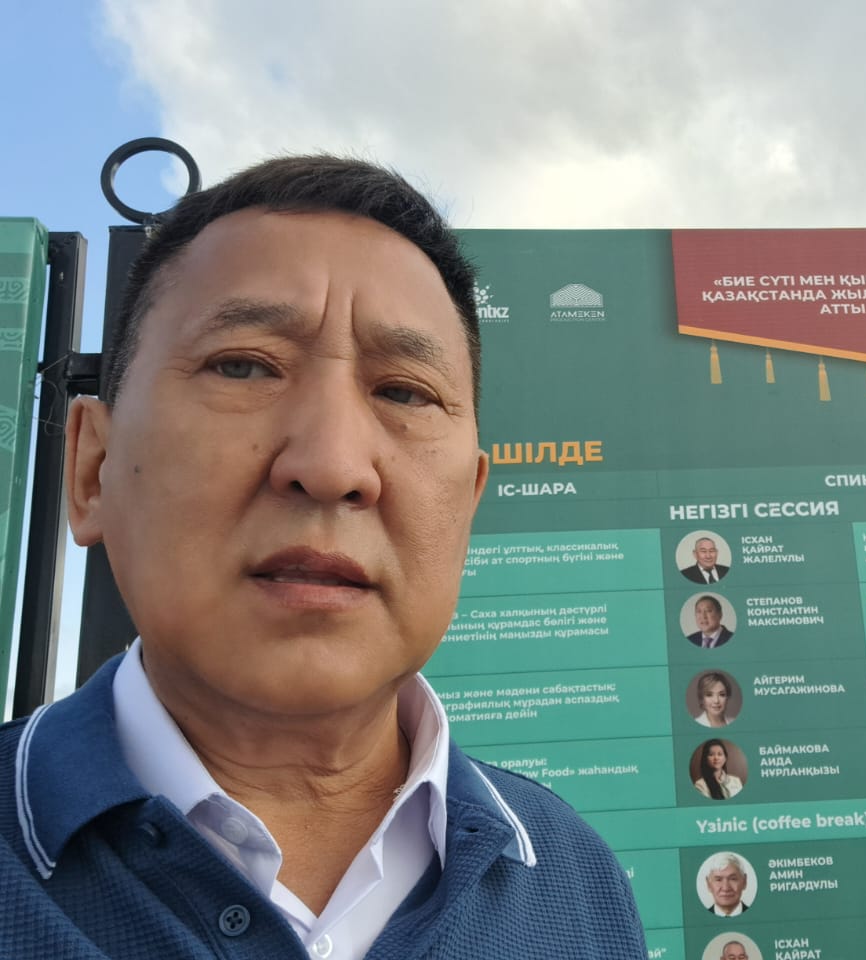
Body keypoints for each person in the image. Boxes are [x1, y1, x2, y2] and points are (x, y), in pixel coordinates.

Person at [0, 157, 646, 959]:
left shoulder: (577, 880)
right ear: (92, 468)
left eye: (404, 392)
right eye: (242, 365)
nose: (333, 466)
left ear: (469, 506)